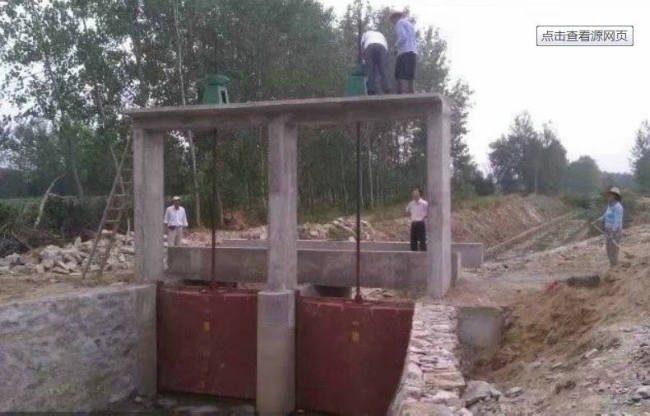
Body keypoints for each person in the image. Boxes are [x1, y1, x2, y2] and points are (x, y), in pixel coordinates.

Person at [389, 9, 417, 94]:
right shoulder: (410, 24)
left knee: (401, 76)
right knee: (410, 76)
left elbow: (403, 37)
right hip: (413, 52)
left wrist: (395, 47)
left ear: (395, 17)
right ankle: (412, 95)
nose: (392, 23)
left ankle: (403, 96)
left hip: (404, 52)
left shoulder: (399, 23)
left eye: (392, 20)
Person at [598, 187, 624, 267]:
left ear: (615, 196)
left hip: (615, 231)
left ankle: (614, 265)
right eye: (609, 195)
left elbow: (617, 221)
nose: (609, 196)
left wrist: (613, 231)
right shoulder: (610, 205)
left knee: (614, 248)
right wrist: (601, 218)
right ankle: (612, 264)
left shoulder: (618, 207)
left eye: (611, 195)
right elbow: (606, 214)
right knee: (608, 248)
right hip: (608, 230)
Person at [361, 29, 391, 95]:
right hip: (382, 47)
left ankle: (371, 91)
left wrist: (363, 61)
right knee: (383, 69)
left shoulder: (365, 34)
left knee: (370, 69)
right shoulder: (381, 34)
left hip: (369, 47)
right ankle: (387, 89)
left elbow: (362, 46)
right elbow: (386, 48)